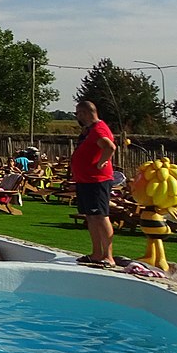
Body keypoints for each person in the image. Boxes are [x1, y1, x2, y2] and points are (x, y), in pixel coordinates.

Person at [73, 100, 118, 268]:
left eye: (78, 113)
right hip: (85, 180)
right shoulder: (90, 130)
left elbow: (109, 147)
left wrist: (102, 162)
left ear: (84, 113)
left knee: (100, 216)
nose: (77, 117)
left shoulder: (99, 129)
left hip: (96, 181)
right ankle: (96, 253)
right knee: (91, 217)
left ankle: (108, 256)